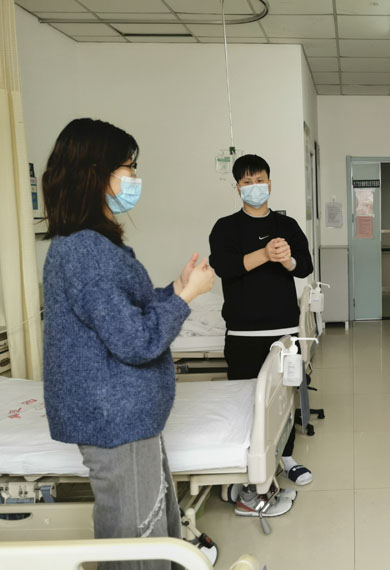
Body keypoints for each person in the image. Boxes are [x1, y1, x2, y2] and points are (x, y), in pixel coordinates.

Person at [42, 118, 214, 569]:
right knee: (135, 544)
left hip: (126, 418)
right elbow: (136, 340)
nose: (135, 178)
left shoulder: (87, 245)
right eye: (129, 167)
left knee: (151, 529)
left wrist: (174, 288)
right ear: (96, 173)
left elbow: (123, 311)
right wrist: (186, 298)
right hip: (115, 419)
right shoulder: (85, 251)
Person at [209, 154, 314, 518]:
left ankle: (286, 457)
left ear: (270, 183)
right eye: (247, 181)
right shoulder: (226, 228)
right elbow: (225, 267)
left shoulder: (287, 225)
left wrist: (286, 260)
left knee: (284, 400)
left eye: (260, 180)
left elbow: (304, 266)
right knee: (244, 402)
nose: (255, 187)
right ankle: (245, 469)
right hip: (242, 330)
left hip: (284, 329)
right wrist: (266, 254)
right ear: (237, 187)